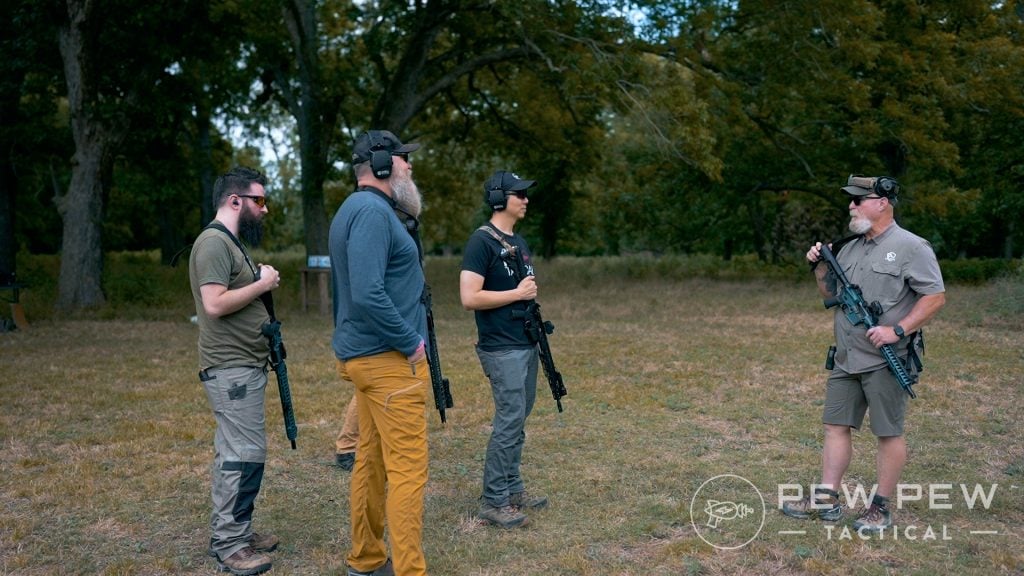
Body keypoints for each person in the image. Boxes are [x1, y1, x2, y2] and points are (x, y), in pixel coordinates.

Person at [782, 174, 945, 532]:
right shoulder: (849, 246)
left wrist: (897, 329)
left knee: (887, 432)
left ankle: (880, 508)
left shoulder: (912, 247)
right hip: (846, 356)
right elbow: (829, 293)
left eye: (859, 199)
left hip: (887, 359)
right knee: (835, 426)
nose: (851, 205)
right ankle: (827, 498)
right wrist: (819, 263)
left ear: (882, 203)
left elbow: (934, 296)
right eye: (851, 200)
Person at [331, 130, 428, 576]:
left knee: (370, 460)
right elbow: (368, 292)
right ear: (385, 165)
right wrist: (410, 341)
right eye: (404, 160)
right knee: (409, 471)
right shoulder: (371, 212)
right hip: (388, 362)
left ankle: (367, 560)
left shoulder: (360, 209)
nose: (410, 167)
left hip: (369, 360)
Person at [188, 166, 282, 576]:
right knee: (242, 455)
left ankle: (237, 529)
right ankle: (230, 543)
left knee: (241, 451)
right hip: (230, 369)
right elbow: (214, 304)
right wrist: (262, 284)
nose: (264, 209)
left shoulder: (229, 243)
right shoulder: (212, 243)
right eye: (259, 200)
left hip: (243, 367)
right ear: (235, 201)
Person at [459, 170, 550, 529]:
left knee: (519, 419)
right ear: (499, 199)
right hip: (501, 347)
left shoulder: (519, 241)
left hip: (525, 343)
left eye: (526, 194)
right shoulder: (481, 242)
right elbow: (469, 297)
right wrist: (516, 294)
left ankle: (513, 488)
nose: (525, 200)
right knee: (509, 421)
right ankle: (494, 500)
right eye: (518, 194)